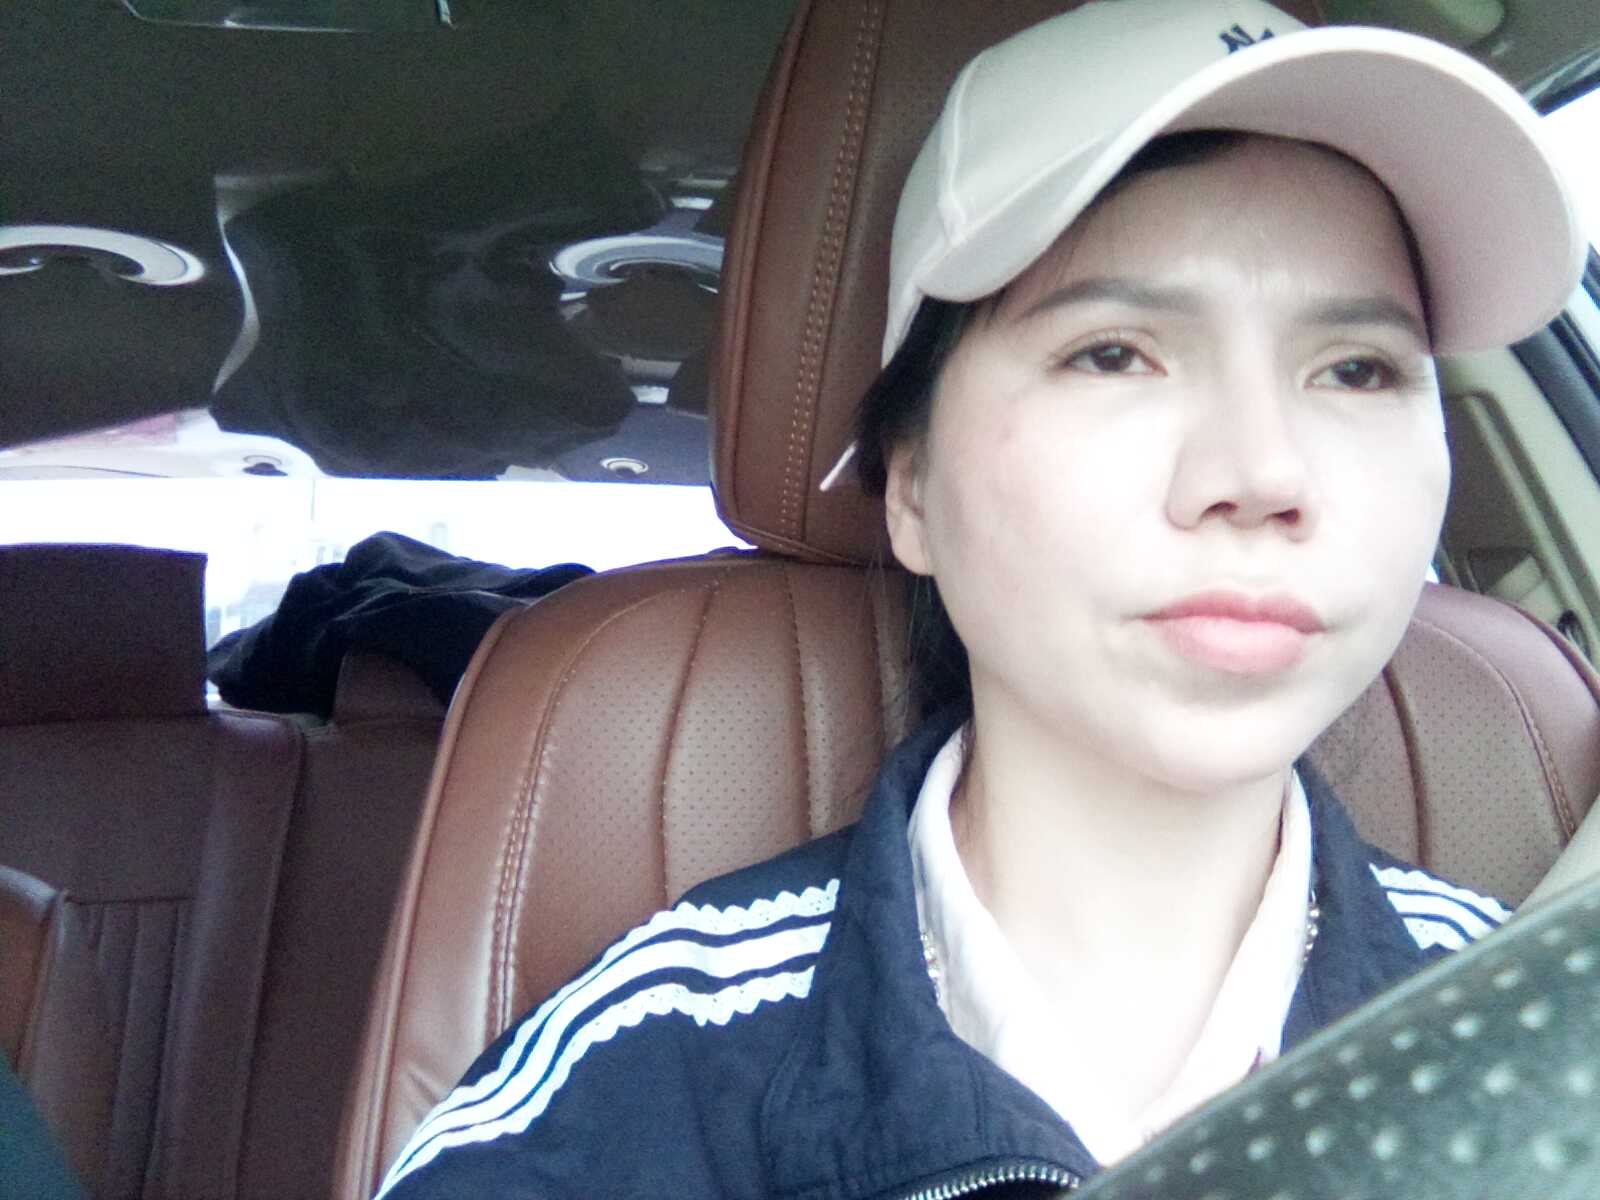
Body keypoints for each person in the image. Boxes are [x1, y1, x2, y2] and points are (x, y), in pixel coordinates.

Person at [375, 1, 1584, 1195]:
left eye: (1357, 369)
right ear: (909, 486)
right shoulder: (627, 1092)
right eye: (1112, 353)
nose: (1262, 474)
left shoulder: (1541, 1025)